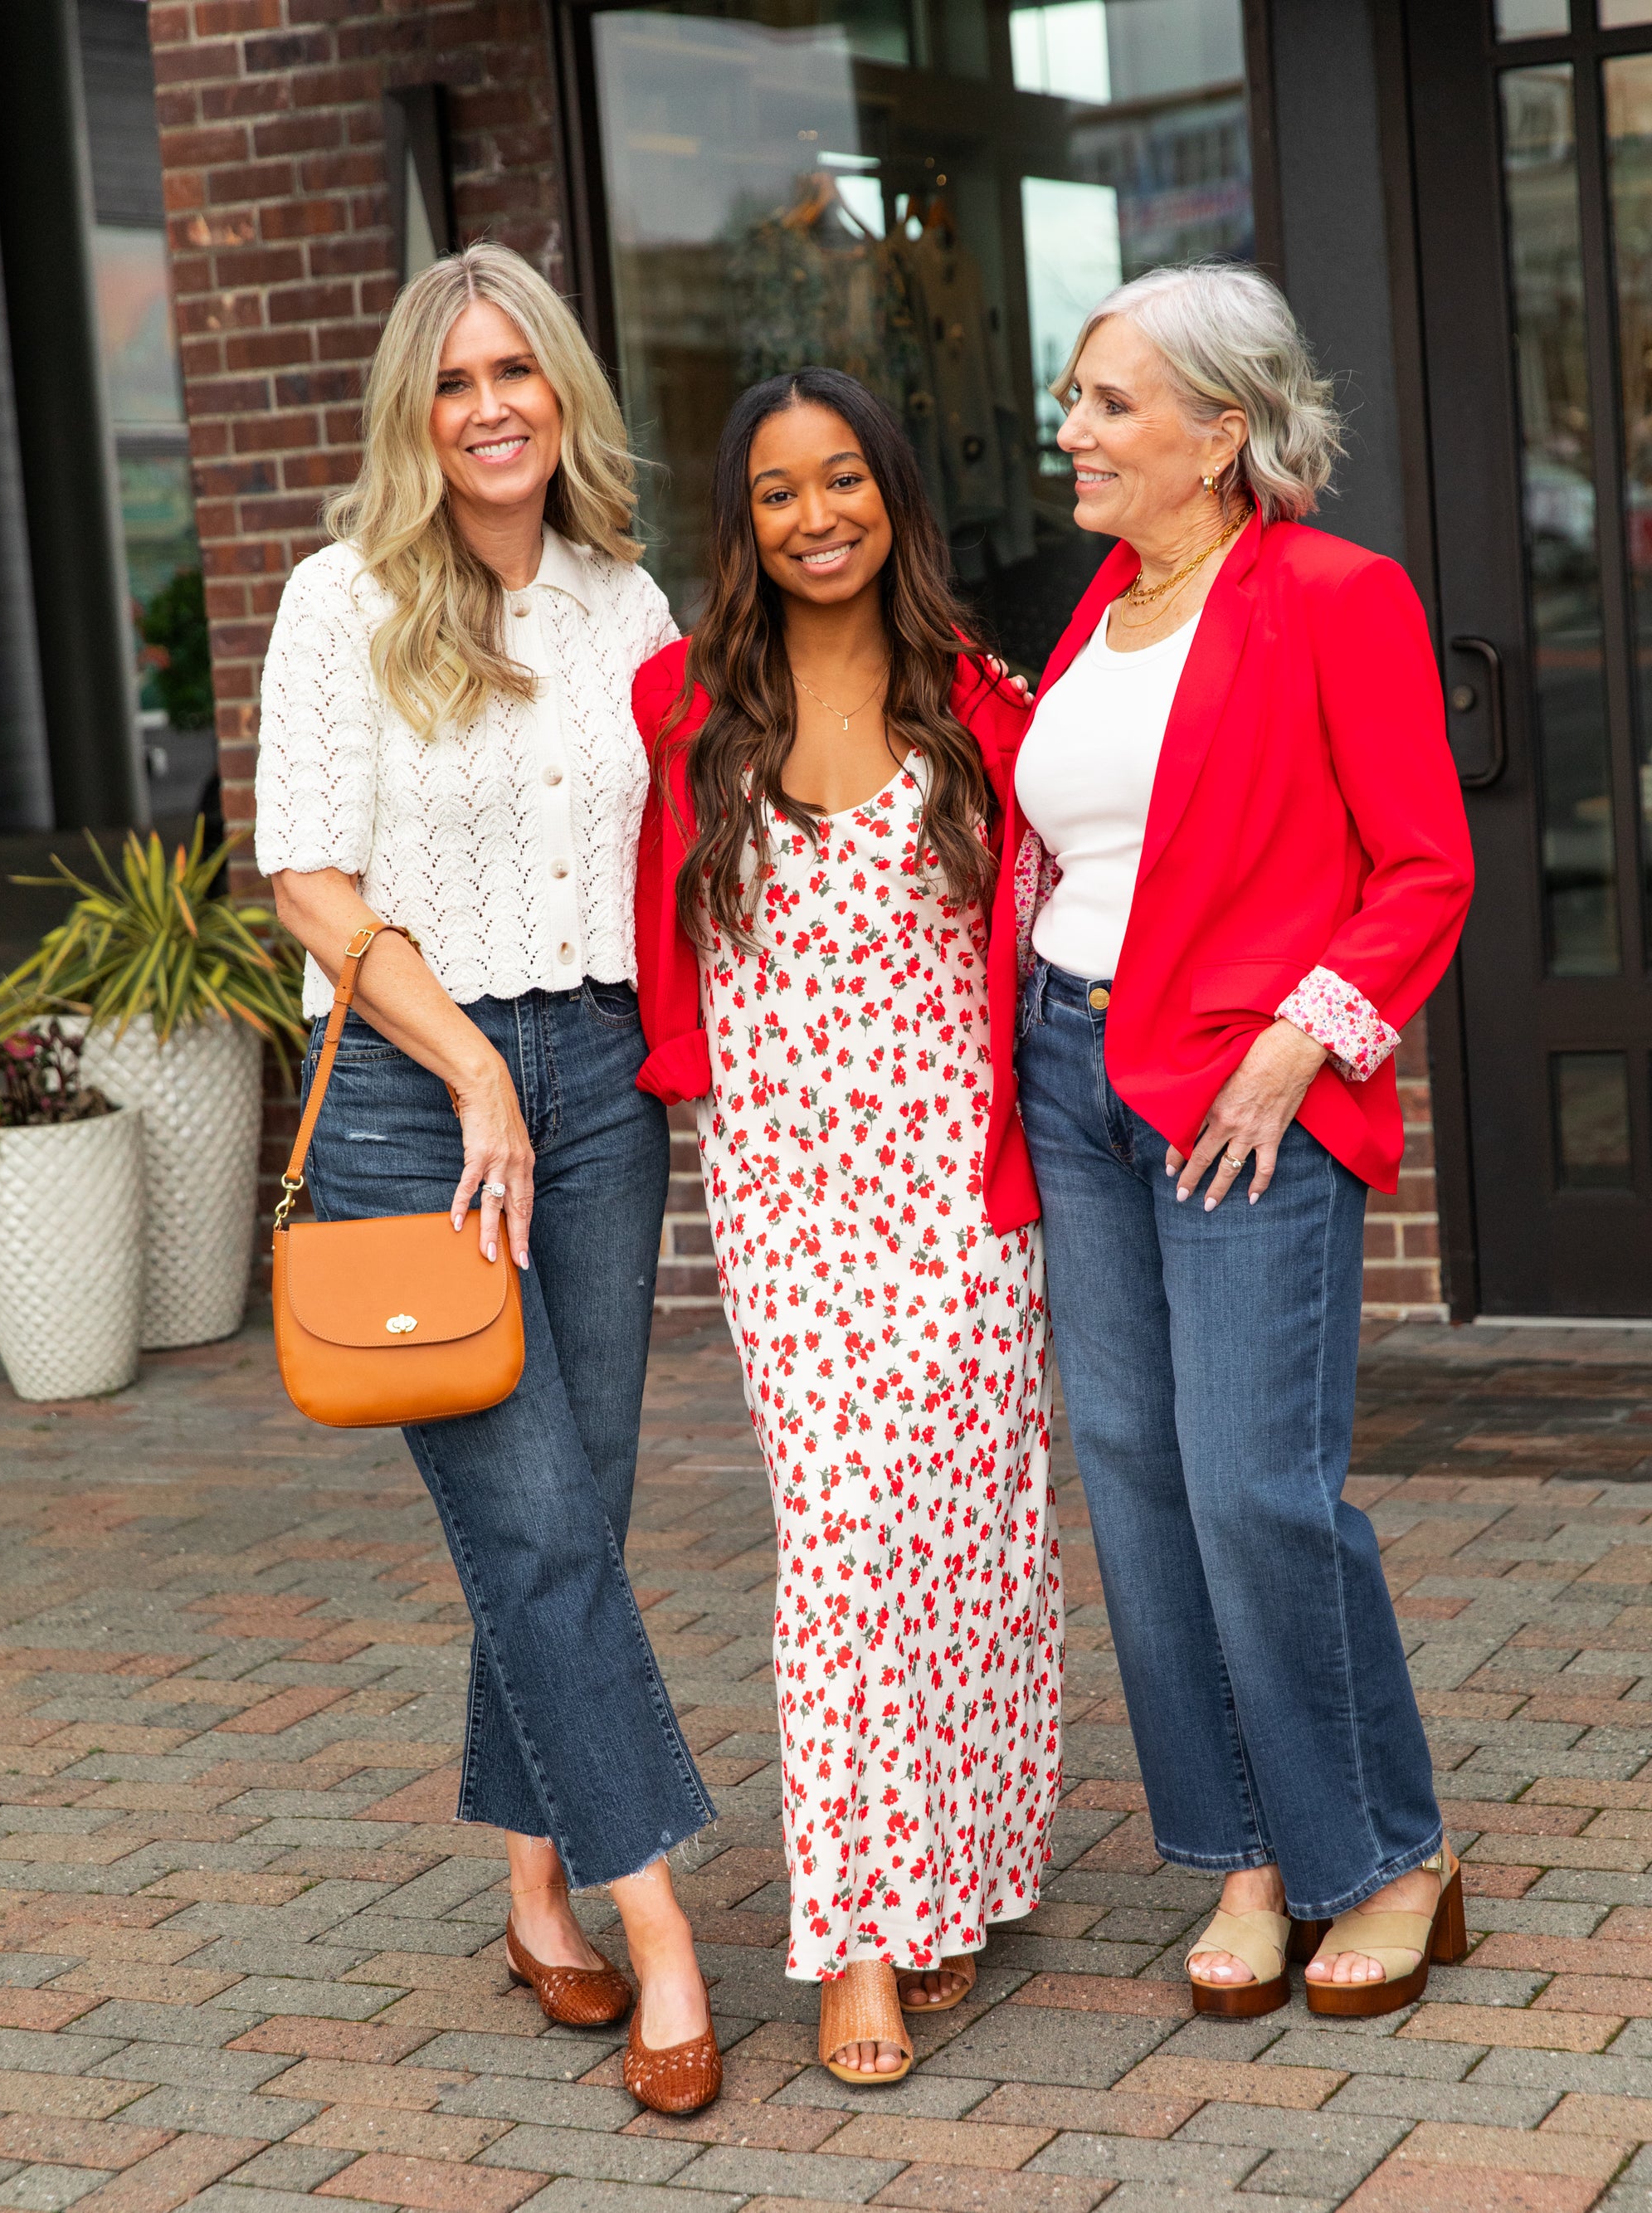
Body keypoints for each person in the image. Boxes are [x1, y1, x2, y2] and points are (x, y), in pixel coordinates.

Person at [254, 241, 722, 2113]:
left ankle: (534, 1886)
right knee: (527, 1523)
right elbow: (307, 874)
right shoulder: (338, 595)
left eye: (515, 371)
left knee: (575, 1511)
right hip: (403, 1093)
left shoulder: (624, 599)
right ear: (411, 411)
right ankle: (661, 1923)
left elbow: (686, 839)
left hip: (600, 1081)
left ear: (563, 393)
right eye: (452, 381)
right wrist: (468, 1073)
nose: (489, 406)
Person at [1006, 264, 1474, 2019]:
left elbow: (1424, 863)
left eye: (1111, 403)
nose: (1074, 430)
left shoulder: (1334, 597)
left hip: (1239, 1095)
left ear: (1221, 432)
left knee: (1253, 1485)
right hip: (1074, 1074)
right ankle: (1250, 1852)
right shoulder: (1095, 612)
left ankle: (1388, 1850)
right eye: (1076, 396)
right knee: (1132, 1484)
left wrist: (1298, 1045)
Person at [632, 368, 1062, 2082]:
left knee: (965, 1538)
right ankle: (857, 1934)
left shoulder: (981, 703)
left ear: (893, 492)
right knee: (842, 1546)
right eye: (775, 492)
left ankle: (960, 1871)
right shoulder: (680, 698)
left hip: (958, 1191)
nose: (815, 517)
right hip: (786, 1197)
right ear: (737, 521)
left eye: (843, 482)